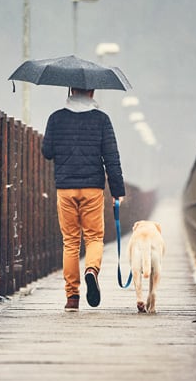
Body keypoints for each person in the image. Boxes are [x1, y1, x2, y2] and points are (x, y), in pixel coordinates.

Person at [41, 87, 125, 311]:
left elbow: (47, 151)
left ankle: (72, 297)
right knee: (94, 238)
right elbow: (111, 157)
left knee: (70, 242)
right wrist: (117, 190)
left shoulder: (56, 118)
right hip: (92, 189)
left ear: (70, 90)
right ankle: (91, 270)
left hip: (65, 188)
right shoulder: (102, 120)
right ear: (91, 92)